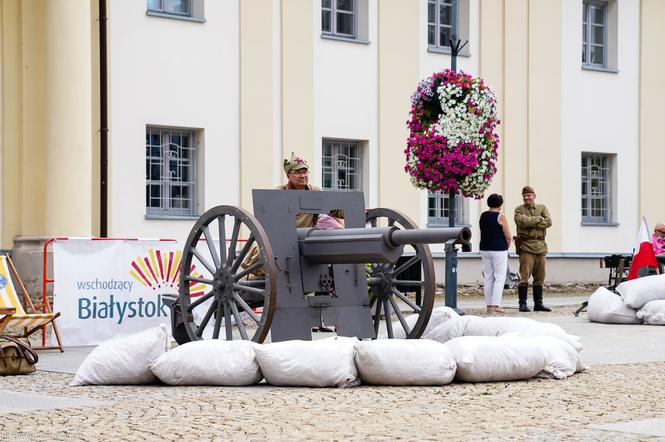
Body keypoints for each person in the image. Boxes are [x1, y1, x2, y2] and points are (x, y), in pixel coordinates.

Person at [514, 185, 552, 312]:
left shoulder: (542, 207)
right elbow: (522, 222)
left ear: (534, 196)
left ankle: (538, 304)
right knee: (524, 276)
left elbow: (549, 222)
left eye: (529, 195)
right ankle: (522, 304)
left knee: (540, 277)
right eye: (524, 196)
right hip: (526, 247)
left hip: (541, 247)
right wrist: (538, 219)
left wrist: (531, 221)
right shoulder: (519, 209)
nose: (526, 198)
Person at [479, 194, 512, 314]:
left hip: (484, 249)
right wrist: (506, 247)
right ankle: (496, 304)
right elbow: (508, 236)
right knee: (500, 277)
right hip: (498, 249)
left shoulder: (483, 215)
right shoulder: (500, 217)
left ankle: (488, 305)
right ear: (500, 205)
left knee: (488, 276)